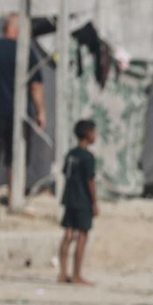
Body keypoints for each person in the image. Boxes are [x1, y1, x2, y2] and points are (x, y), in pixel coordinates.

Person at [0, 12, 46, 205]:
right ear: (18, 30)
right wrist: (41, 111)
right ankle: (13, 196)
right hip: (19, 113)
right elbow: (36, 86)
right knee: (16, 155)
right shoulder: (25, 50)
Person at [58, 119, 98, 285]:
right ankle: (76, 274)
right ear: (88, 134)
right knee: (82, 236)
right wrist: (95, 202)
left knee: (68, 234)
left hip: (69, 198)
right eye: (94, 132)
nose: (95, 136)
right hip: (82, 201)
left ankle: (62, 273)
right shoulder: (88, 157)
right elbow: (90, 181)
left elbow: (65, 173)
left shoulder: (70, 154)